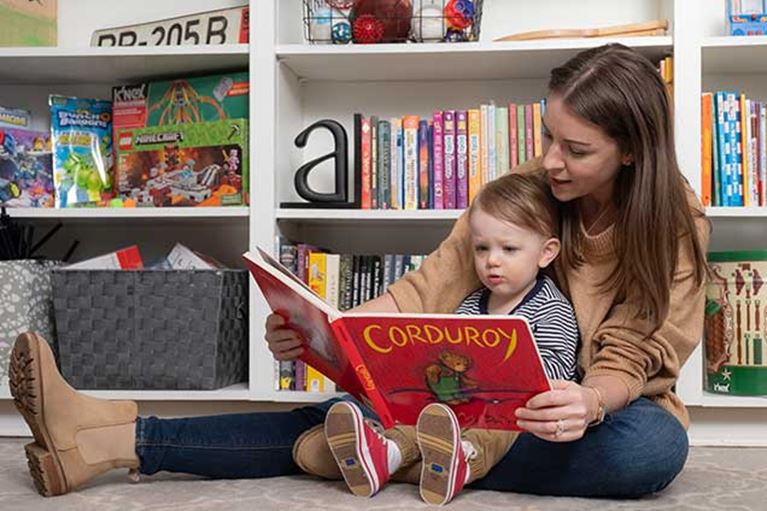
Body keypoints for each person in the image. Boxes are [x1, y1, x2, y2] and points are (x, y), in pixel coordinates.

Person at [9, 43, 709, 499]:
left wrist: (588, 401)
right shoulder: (525, 194)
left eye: (575, 148)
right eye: (549, 135)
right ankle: (117, 435)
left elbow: (644, 351)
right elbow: (426, 287)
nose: (551, 160)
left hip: (592, 410)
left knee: (649, 450)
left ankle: (371, 450)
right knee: (362, 404)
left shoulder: (674, 221)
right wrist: (333, 334)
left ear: (630, 152)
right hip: (472, 397)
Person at [323, 171, 580, 505]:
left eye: (510, 249)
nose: (492, 261)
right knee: (428, 414)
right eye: (482, 248)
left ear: (546, 253)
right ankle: (387, 453)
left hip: (516, 419)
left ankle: (458, 462)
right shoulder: (471, 305)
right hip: (458, 409)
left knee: (496, 429)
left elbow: (555, 373)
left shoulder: (551, 309)